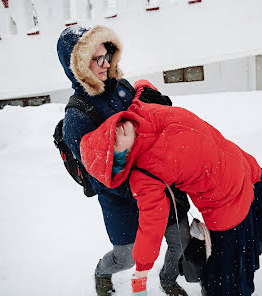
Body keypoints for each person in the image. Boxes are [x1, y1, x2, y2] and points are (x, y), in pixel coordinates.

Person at [79, 80, 262, 296]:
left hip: (243, 167)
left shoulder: (142, 109)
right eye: (112, 144)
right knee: (227, 279)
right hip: (225, 206)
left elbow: (139, 86)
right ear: (118, 160)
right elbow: (151, 225)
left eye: (110, 132)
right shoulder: (144, 174)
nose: (115, 132)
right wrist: (141, 270)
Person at [57, 26, 190, 296]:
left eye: (107, 55)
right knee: (126, 256)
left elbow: (152, 127)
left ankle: (167, 279)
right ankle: (102, 272)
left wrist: (161, 105)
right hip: (120, 197)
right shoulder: (77, 118)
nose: (106, 64)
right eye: (97, 59)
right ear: (79, 65)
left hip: (157, 181)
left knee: (180, 239)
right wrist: (139, 187)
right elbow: (100, 177)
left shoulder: (123, 87)